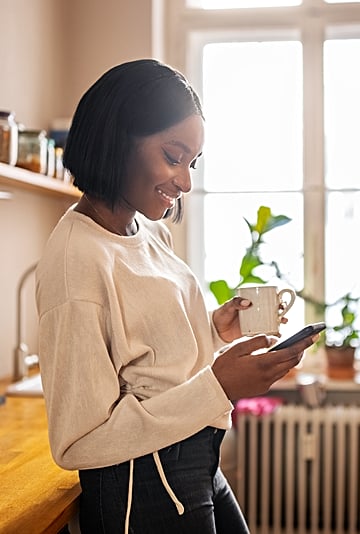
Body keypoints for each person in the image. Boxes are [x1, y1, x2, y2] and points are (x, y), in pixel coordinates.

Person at [35, 59, 319, 534]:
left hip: (192, 457)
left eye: (192, 162)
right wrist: (220, 387)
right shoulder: (76, 260)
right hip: (140, 484)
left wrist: (212, 329)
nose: (185, 181)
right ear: (117, 138)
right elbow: (78, 441)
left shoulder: (148, 232)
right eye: (173, 155)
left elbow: (148, 360)